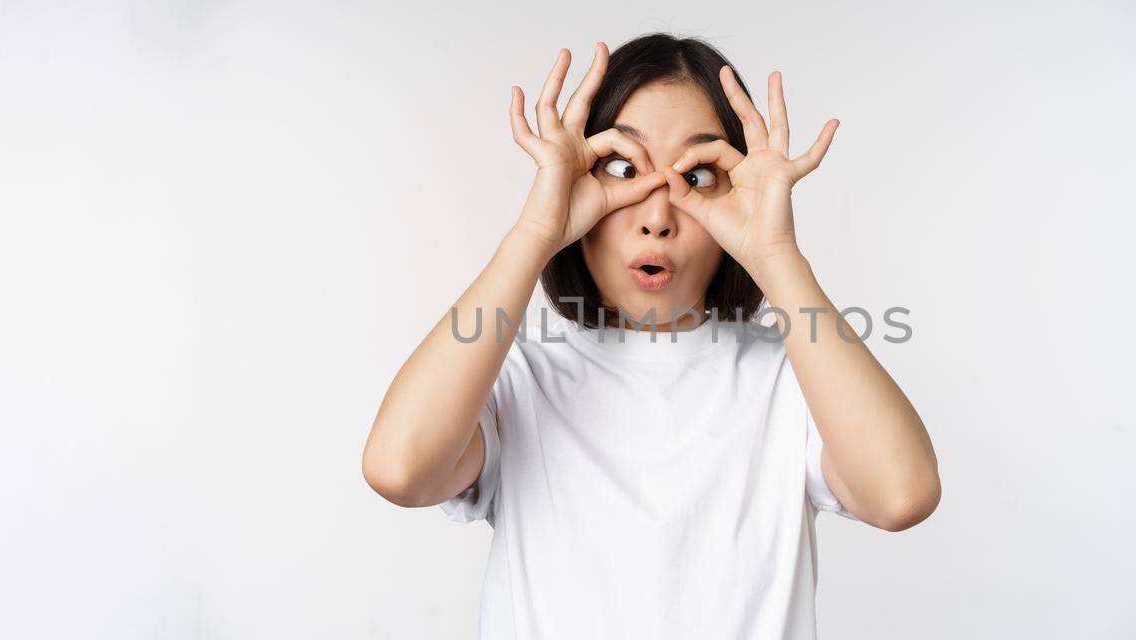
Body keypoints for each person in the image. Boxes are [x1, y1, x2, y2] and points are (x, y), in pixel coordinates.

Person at [362, 32, 940, 639]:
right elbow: (401, 470)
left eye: (701, 175)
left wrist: (775, 255)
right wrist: (535, 230)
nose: (658, 216)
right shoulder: (520, 379)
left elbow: (901, 495)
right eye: (622, 168)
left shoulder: (792, 382)